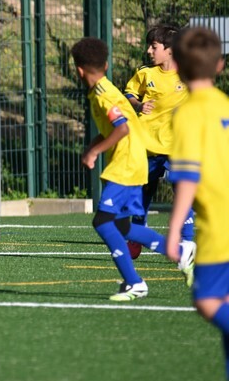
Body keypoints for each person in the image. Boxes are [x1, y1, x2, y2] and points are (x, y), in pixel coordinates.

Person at [72, 37, 191, 301]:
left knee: (102, 221)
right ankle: (181, 253)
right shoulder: (102, 90)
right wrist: (93, 145)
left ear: (79, 70)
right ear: (105, 65)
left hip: (125, 165)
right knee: (123, 227)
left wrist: (94, 152)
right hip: (134, 161)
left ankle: (134, 282)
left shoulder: (104, 94)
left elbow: (122, 128)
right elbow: (113, 127)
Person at [166, 27, 229, 381]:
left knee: (206, 300)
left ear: (177, 67)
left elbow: (188, 178)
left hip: (218, 225)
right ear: (219, 65)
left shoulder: (188, 113)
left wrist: (174, 230)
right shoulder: (224, 103)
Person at [123, 24, 195, 261]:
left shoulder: (187, 74)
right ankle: (137, 235)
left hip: (177, 147)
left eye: (154, 46)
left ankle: (188, 241)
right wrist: (138, 105)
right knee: (142, 193)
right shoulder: (146, 73)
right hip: (148, 145)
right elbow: (129, 94)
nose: (148, 51)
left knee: (182, 190)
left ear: (170, 49)